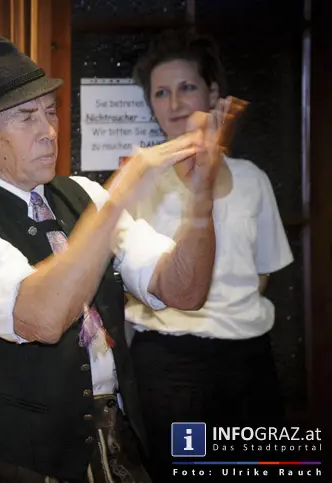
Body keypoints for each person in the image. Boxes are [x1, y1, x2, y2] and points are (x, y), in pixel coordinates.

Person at [0, 17, 230, 482]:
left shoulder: (85, 195)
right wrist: (123, 192)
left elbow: (182, 289)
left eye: (50, 112)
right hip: (13, 467)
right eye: (27, 117)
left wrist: (201, 198)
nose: (48, 130)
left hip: (115, 446)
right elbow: (41, 317)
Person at [126, 30, 293, 478]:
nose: (175, 103)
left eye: (187, 87)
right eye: (161, 93)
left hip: (248, 359)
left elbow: (263, 273)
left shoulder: (253, 178)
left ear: (213, 93)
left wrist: (225, 313)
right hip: (169, 363)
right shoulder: (138, 180)